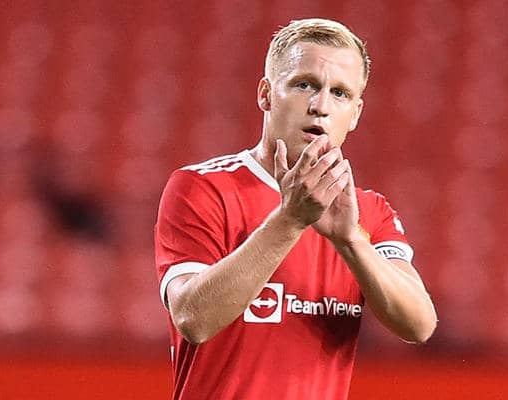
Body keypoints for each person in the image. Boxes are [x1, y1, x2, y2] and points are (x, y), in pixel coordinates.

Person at [154, 18, 437, 400]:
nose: (320, 106)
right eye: (304, 85)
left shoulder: (368, 213)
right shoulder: (202, 188)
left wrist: (351, 241)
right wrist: (289, 221)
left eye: (340, 93)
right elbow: (193, 318)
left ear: (355, 113)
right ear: (266, 95)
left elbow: (419, 325)